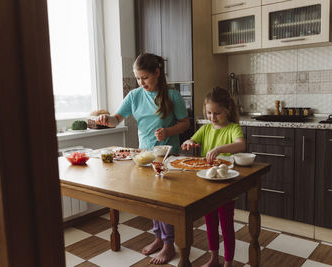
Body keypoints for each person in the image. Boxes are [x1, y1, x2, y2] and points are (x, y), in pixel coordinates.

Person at [95, 53, 190, 264]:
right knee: (151, 202)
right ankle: (158, 238)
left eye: (145, 77)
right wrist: (105, 119)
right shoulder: (134, 95)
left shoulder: (172, 96)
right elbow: (116, 120)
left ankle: (168, 245)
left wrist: (168, 131)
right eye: (138, 78)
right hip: (144, 156)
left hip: (168, 156)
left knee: (164, 203)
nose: (141, 83)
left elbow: (185, 123)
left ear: (157, 73)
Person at [181, 87, 246, 267]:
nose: (212, 117)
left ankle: (228, 263)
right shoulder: (205, 128)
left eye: (217, 113)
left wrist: (219, 149)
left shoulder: (233, 128)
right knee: (210, 224)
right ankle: (213, 259)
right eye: (209, 113)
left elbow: (240, 145)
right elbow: (192, 140)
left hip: (226, 187)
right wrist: (188, 142)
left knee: (226, 227)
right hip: (207, 186)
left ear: (228, 110)